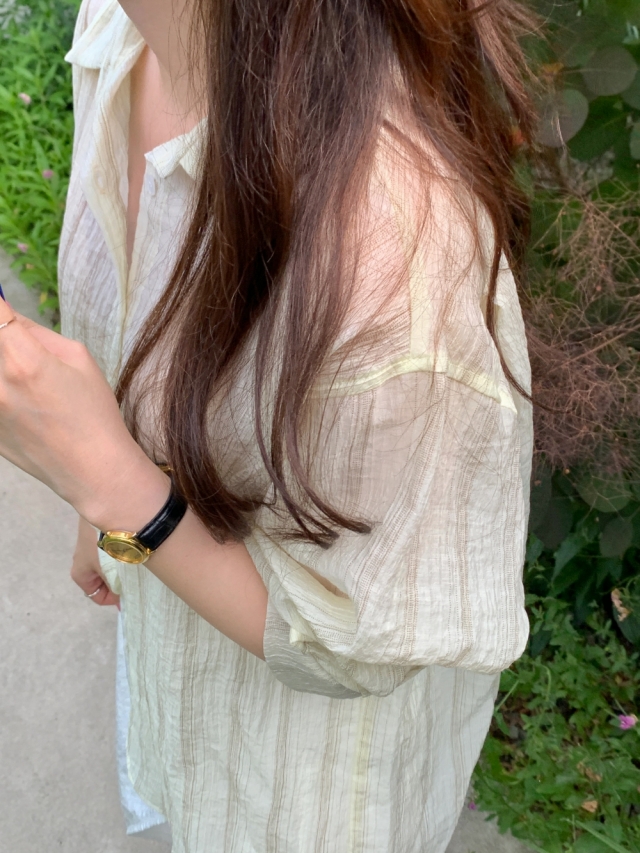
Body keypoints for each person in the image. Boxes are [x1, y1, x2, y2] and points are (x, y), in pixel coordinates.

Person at [0, 0, 536, 849]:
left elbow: (353, 645)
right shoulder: (123, 26)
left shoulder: (387, 265)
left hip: (301, 784)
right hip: (184, 658)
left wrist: (111, 486)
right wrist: (95, 498)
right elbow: (131, 317)